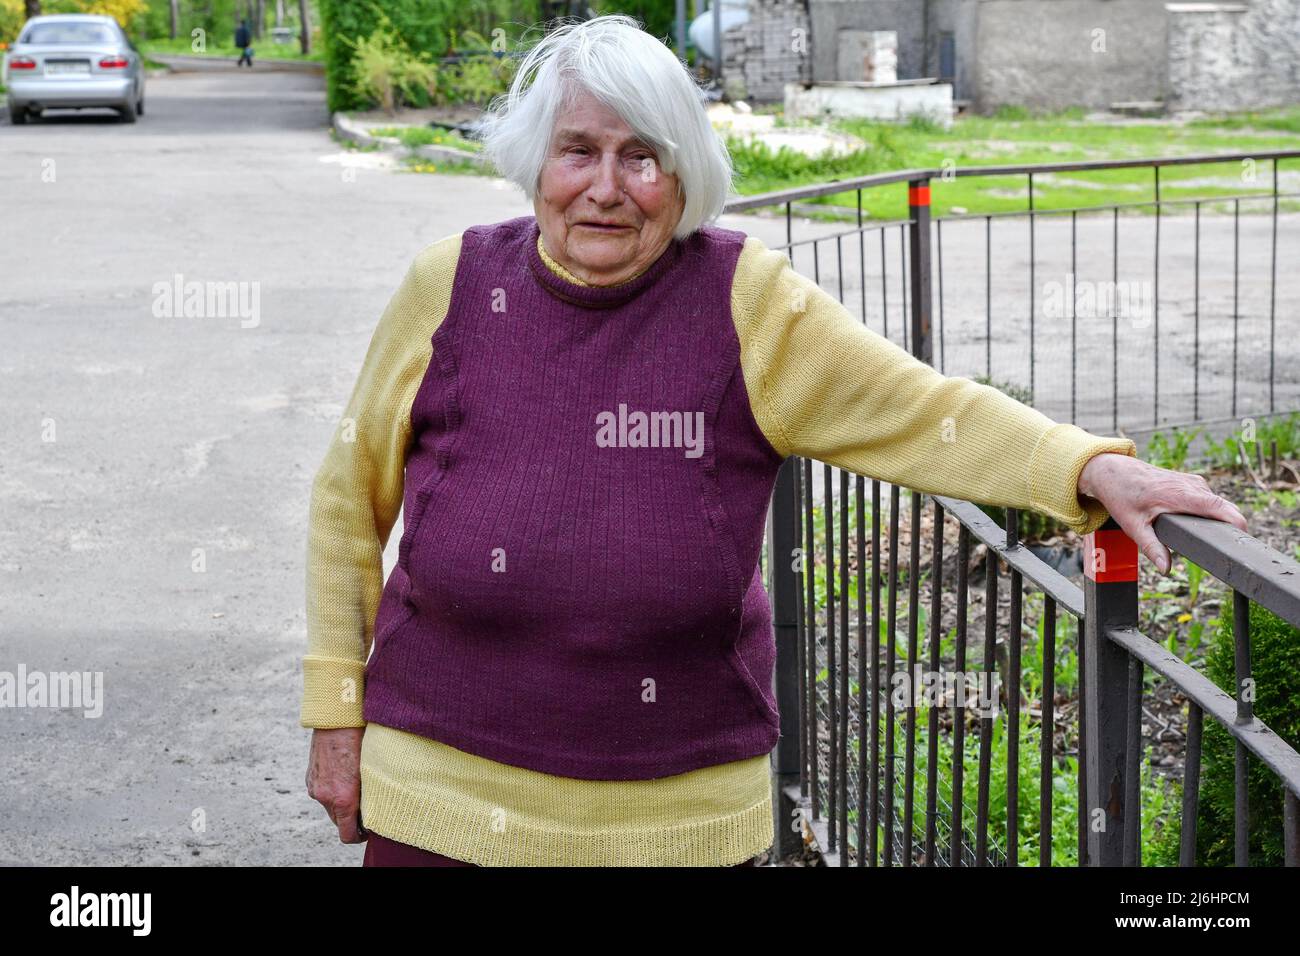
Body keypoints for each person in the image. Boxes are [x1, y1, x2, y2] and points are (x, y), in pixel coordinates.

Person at [300, 15, 1248, 867]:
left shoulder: (744, 299)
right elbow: (349, 499)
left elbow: (918, 407)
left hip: (676, 816)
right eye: (576, 151)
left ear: (684, 176)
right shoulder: (452, 286)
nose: (605, 187)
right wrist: (335, 712)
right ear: (533, 160)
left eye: (643, 157)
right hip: (442, 792)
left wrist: (1085, 465)